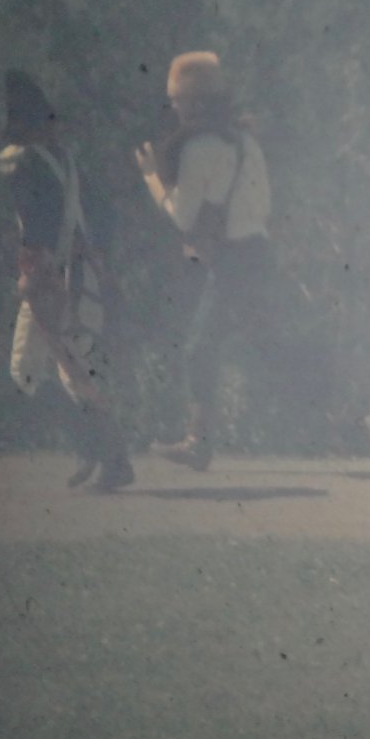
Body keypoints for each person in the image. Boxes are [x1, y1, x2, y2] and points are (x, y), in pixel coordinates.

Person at [135, 51, 279, 471]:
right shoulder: (245, 141)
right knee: (223, 344)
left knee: (200, 348)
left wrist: (152, 178)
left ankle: (199, 442)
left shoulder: (198, 148)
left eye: (178, 100)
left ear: (195, 103)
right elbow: (263, 204)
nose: (175, 108)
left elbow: (181, 217)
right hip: (258, 253)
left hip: (232, 260)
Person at [0, 70, 133, 491]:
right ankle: (95, 448)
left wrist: (37, 274)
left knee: (59, 371)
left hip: (52, 277)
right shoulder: (67, 162)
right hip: (78, 274)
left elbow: (34, 226)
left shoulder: (20, 161)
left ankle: (110, 455)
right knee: (57, 370)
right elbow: (103, 216)